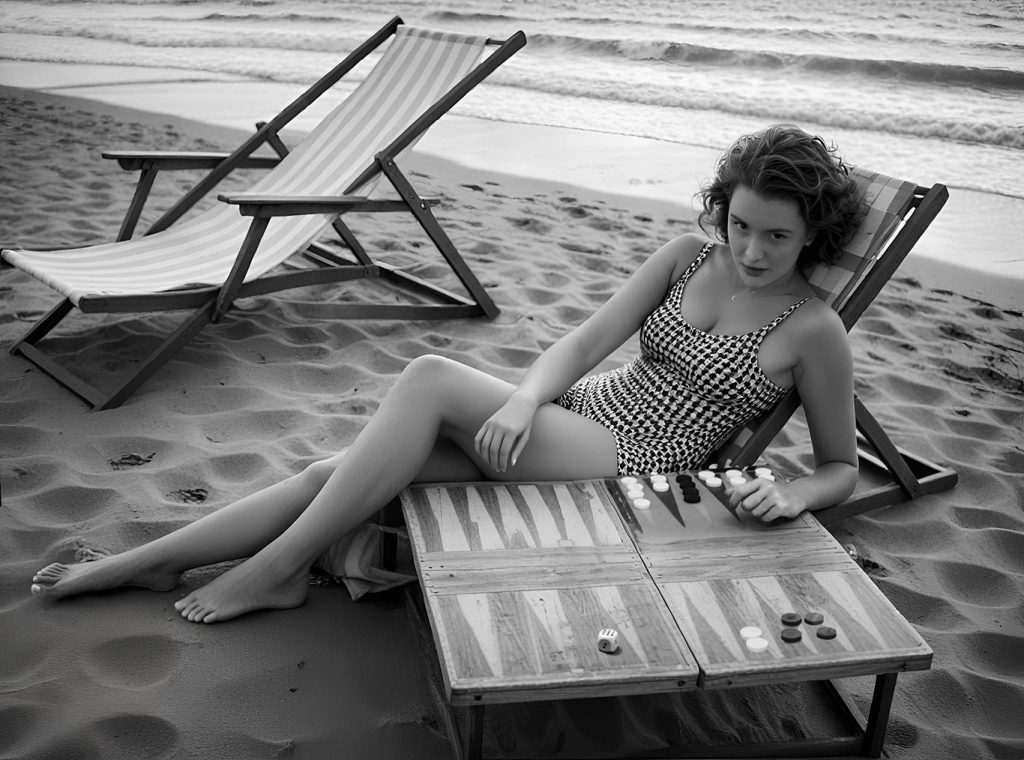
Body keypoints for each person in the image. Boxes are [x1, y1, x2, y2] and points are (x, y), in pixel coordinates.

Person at [30, 124, 865, 624]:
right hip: (576, 417)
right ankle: (149, 563)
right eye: (741, 223)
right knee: (333, 473)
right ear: (723, 207)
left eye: (777, 238)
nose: (752, 250)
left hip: (641, 461)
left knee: (430, 377)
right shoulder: (691, 256)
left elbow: (840, 465)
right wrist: (531, 398)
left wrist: (795, 493)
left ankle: (275, 570)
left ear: (812, 238)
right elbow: (581, 344)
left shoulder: (815, 329)